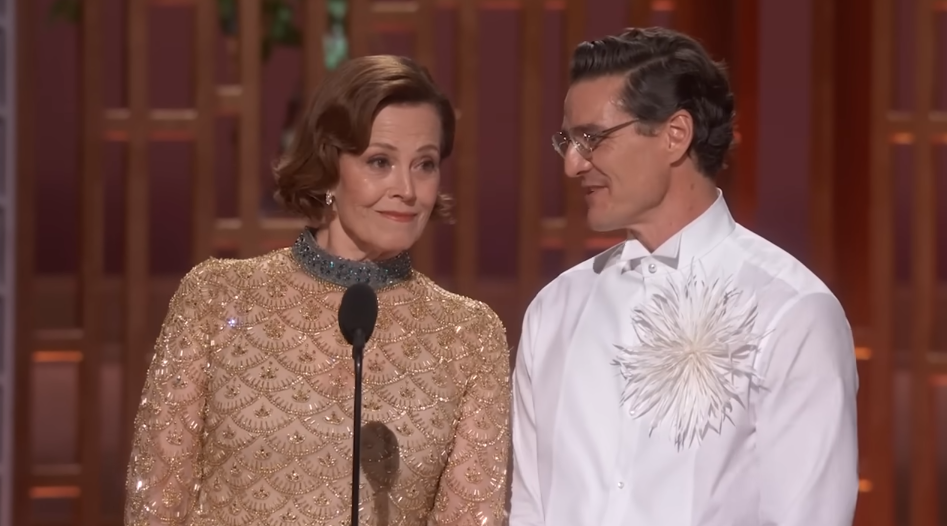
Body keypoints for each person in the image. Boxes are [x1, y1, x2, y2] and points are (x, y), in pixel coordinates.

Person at [124, 55, 511, 526]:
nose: (407, 189)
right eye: (380, 161)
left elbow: (470, 516)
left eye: (425, 164)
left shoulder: (468, 335)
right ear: (329, 167)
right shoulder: (217, 297)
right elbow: (157, 506)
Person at [509, 27, 859, 526]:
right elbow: (530, 508)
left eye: (592, 138)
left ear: (675, 134)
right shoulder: (554, 309)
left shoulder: (791, 310)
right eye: (567, 140)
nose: (572, 164)